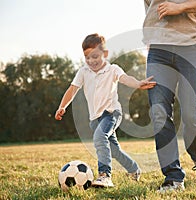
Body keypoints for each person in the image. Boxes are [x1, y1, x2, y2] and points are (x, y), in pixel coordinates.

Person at [143, 0, 196, 192]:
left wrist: (181, 7)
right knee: (159, 113)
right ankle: (173, 177)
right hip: (158, 50)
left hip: (192, 46)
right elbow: (151, 8)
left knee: (191, 112)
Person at [55, 33, 156, 187]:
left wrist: (138, 84)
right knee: (113, 150)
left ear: (105, 54)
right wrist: (62, 106)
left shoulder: (113, 69)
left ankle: (105, 175)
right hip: (94, 119)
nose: (91, 61)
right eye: (87, 57)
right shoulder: (83, 72)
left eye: (95, 56)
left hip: (111, 113)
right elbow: (72, 89)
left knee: (100, 138)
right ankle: (134, 168)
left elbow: (126, 78)